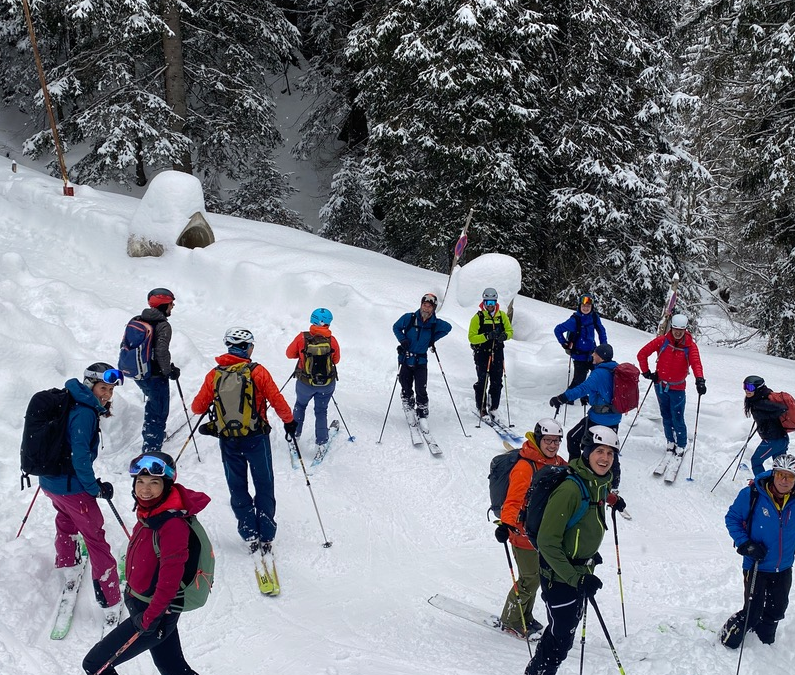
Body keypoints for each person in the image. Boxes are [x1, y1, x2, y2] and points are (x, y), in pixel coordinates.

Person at [83, 451, 210, 675]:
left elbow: (170, 579)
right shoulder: (153, 511)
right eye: (140, 481)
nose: (145, 489)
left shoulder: (172, 524)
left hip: (154, 613)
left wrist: (150, 618)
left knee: (95, 666)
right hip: (150, 608)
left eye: (154, 482)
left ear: (167, 484)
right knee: (172, 668)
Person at [525, 426, 626, 675]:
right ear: (587, 452)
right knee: (561, 640)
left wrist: (588, 555)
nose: (605, 458)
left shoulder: (598, 483)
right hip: (561, 577)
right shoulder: (570, 489)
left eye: (610, 454)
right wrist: (576, 577)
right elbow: (548, 542)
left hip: (579, 571)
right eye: (599, 451)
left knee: (561, 632)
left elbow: (585, 524)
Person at [191, 327, 296, 554]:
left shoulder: (214, 375)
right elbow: (275, 398)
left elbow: (197, 407)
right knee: (264, 482)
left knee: (237, 485)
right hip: (256, 438)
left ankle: (248, 531)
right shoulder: (257, 372)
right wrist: (289, 421)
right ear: (248, 348)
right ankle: (266, 532)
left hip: (228, 440)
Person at [40, 363, 123, 620]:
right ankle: (110, 598)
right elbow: (80, 456)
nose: (107, 394)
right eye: (103, 388)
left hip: (51, 483)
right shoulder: (85, 412)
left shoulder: (70, 399)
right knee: (95, 537)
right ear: (90, 385)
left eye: (110, 389)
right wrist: (94, 488)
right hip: (72, 488)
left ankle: (69, 565)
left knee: (65, 521)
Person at [494, 419, 567, 638]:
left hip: (542, 534)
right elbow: (513, 501)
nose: (552, 445)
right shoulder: (525, 466)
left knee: (537, 577)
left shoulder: (558, 463)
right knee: (529, 579)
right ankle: (511, 619)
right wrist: (506, 526)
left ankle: (525, 614)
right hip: (522, 533)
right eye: (548, 440)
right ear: (538, 439)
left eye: (556, 441)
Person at [720, 453, 795, 649]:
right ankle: (727, 638)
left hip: (784, 566)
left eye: (790, 476)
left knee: (776, 610)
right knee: (752, 612)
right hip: (756, 565)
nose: (785, 481)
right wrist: (745, 544)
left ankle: (764, 641)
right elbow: (732, 518)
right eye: (781, 475)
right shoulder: (752, 494)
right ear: (773, 474)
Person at [549, 343, 622, 488]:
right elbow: (608, 392)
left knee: (574, 438)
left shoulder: (599, 373)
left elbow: (583, 388)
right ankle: (614, 482)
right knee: (608, 447)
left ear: (600, 356)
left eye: (595, 353)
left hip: (598, 419)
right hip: (613, 418)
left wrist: (562, 398)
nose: (592, 355)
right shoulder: (615, 369)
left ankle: (575, 471)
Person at [637, 313, 705, 458]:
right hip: (660, 386)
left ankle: (681, 444)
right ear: (671, 327)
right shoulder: (662, 341)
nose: (678, 332)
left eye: (681, 330)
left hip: (678, 388)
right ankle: (670, 441)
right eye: (675, 329)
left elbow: (696, 363)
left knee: (677, 417)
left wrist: (700, 379)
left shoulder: (690, 346)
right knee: (665, 415)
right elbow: (641, 354)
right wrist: (647, 373)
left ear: (685, 329)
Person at [392, 293, 452, 426]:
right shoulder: (409, 318)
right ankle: (408, 401)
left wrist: (432, 339)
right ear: (421, 305)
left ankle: (422, 410)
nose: (426, 308)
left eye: (429, 306)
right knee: (405, 383)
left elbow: (448, 328)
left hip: (421, 360)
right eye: (424, 305)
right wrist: (402, 340)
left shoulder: (435, 323)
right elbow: (396, 327)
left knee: (421, 387)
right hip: (405, 357)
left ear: (433, 308)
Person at [286, 308, 341, 452]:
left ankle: (294, 436)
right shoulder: (331, 340)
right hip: (327, 384)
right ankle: (321, 443)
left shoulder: (302, 337)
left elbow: (289, 354)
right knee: (321, 411)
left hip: (305, 383)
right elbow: (336, 360)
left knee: (300, 405)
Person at [132, 288, 180, 453]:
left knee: (153, 405)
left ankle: (153, 434)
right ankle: (152, 446)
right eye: (171, 303)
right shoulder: (163, 326)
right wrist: (168, 371)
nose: (172, 306)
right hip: (155, 375)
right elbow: (161, 351)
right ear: (163, 304)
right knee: (158, 411)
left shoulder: (138, 320)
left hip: (139, 373)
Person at [468, 287, 514, 421]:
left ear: (496, 302)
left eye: (492, 303)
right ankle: (481, 407)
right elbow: (472, 337)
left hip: (498, 353)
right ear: (483, 302)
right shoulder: (478, 317)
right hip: (482, 353)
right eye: (487, 303)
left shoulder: (502, 316)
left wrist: (504, 336)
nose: (490, 306)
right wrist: (487, 336)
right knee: (483, 380)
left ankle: (494, 407)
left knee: (497, 381)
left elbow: (510, 331)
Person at [553, 293, 608, 390]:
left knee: (598, 373)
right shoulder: (574, 320)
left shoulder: (594, 317)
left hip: (592, 353)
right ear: (579, 306)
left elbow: (601, 331)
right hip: (579, 355)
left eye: (588, 306)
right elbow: (558, 329)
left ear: (592, 307)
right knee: (579, 379)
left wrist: (604, 347)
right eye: (583, 306)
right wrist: (564, 343)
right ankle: (568, 399)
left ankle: (587, 395)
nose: (586, 308)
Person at [742, 375, 790, 476]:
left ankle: (762, 485)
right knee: (780, 468)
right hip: (780, 439)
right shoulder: (758, 399)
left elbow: (783, 408)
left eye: (750, 387)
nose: (747, 390)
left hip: (774, 441)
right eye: (745, 386)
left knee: (756, 461)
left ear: (758, 388)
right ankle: (778, 488)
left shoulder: (761, 402)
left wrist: (765, 416)